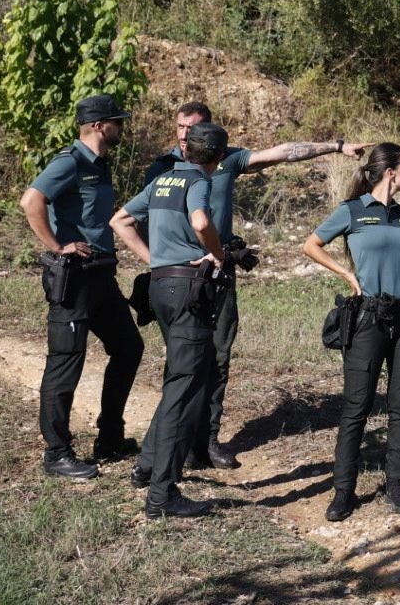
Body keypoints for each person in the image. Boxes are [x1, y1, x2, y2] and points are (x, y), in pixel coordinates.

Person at [144, 100, 365, 470]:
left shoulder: (225, 160)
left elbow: (283, 154)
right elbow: (139, 218)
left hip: (218, 274)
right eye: (180, 126)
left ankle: (206, 440)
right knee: (183, 362)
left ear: (208, 132)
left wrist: (338, 146)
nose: (185, 135)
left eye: (193, 128)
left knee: (217, 356)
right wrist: (158, 259)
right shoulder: (163, 169)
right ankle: (172, 445)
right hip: (179, 278)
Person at [302, 142, 400, 522]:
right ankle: (343, 491)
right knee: (356, 407)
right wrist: (346, 274)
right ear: (391, 172)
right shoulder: (353, 211)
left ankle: (396, 486)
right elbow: (311, 245)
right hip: (367, 319)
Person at [19, 94, 144, 480]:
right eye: (117, 122)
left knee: (128, 348)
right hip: (74, 278)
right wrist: (57, 246)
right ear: (98, 125)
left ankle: (109, 438)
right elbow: (31, 200)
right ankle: (57, 453)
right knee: (66, 363)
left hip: (101, 276)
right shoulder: (69, 161)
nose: (122, 128)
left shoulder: (100, 164)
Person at [110, 120, 231, 518]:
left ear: (186, 149)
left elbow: (120, 221)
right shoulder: (200, 181)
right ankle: (162, 494)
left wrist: (155, 261)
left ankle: (148, 465)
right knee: (186, 386)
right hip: (187, 291)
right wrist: (218, 253)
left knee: (180, 378)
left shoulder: (162, 180)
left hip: (160, 287)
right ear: (218, 156)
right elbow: (200, 222)